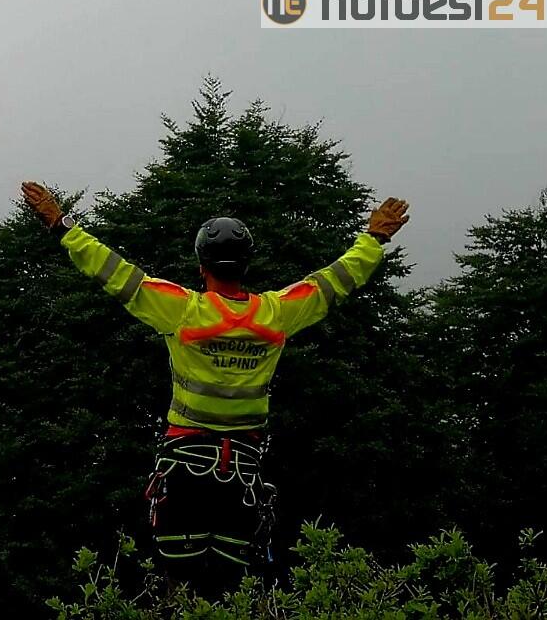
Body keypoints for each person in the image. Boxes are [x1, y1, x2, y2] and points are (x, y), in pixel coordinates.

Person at [20, 181, 410, 592]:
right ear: (246, 264)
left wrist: (62, 225)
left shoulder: (182, 310)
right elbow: (336, 281)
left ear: (201, 265)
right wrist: (374, 237)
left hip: (184, 468)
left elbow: (114, 272)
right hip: (241, 474)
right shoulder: (276, 315)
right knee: (228, 591)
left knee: (180, 588)